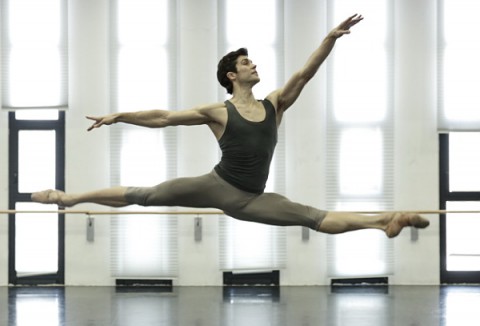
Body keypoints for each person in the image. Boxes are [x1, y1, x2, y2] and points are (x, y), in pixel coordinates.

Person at [32, 14, 429, 238]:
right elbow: (165, 118)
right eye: (246, 63)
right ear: (230, 75)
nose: (254, 65)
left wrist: (329, 39)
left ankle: (386, 221)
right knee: (146, 194)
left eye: (252, 62)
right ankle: (69, 198)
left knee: (315, 218)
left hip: (251, 198)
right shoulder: (219, 111)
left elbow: (304, 74)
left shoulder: (275, 103)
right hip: (217, 184)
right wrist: (121, 115)